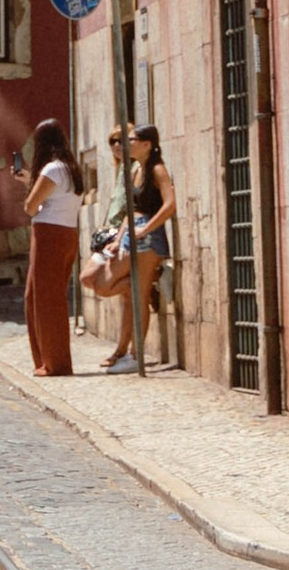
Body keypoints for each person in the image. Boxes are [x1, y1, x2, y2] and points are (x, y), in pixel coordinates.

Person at [97, 125, 177, 373]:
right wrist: (118, 238)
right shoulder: (135, 172)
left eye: (130, 140)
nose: (125, 144)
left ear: (146, 144)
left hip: (149, 238)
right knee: (100, 281)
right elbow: (130, 212)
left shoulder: (157, 169)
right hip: (131, 234)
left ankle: (135, 356)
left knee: (139, 296)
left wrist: (147, 229)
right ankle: (131, 353)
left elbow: (170, 204)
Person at [21, 117, 83, 377]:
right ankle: (46, 360)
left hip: (48, 234)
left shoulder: (52, 170)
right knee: (40, 296)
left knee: (46, 299)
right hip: (67, 232)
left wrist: (30, 190)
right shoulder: (71, 169)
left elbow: (30, 207)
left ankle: (55, 363)